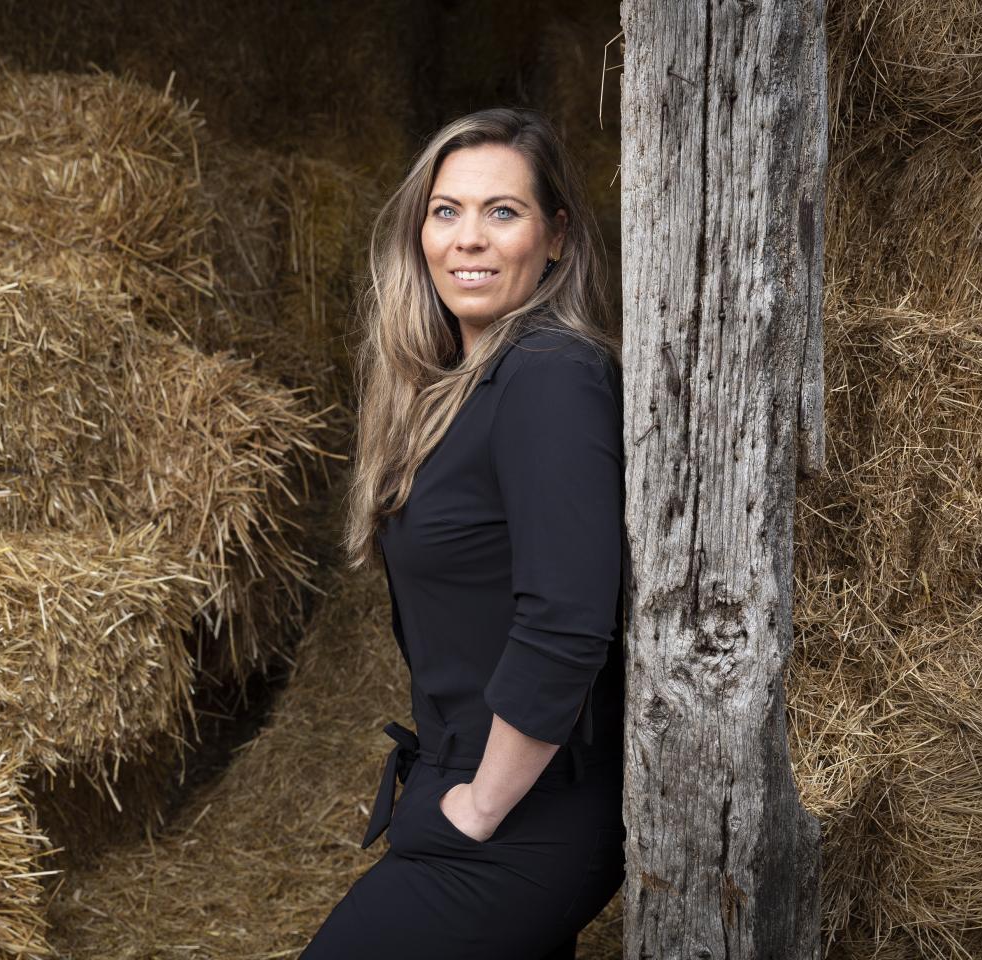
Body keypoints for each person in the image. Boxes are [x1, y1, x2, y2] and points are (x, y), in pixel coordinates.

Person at [301, 107, 627, 959]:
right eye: (446, 211)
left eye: (502, 212)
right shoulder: (462, 391)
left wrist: (481, 803)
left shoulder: (552, 376)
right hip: (467, 791)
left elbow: (567, 617)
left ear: (555, 238)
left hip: (526, 811)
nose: (468, 239)